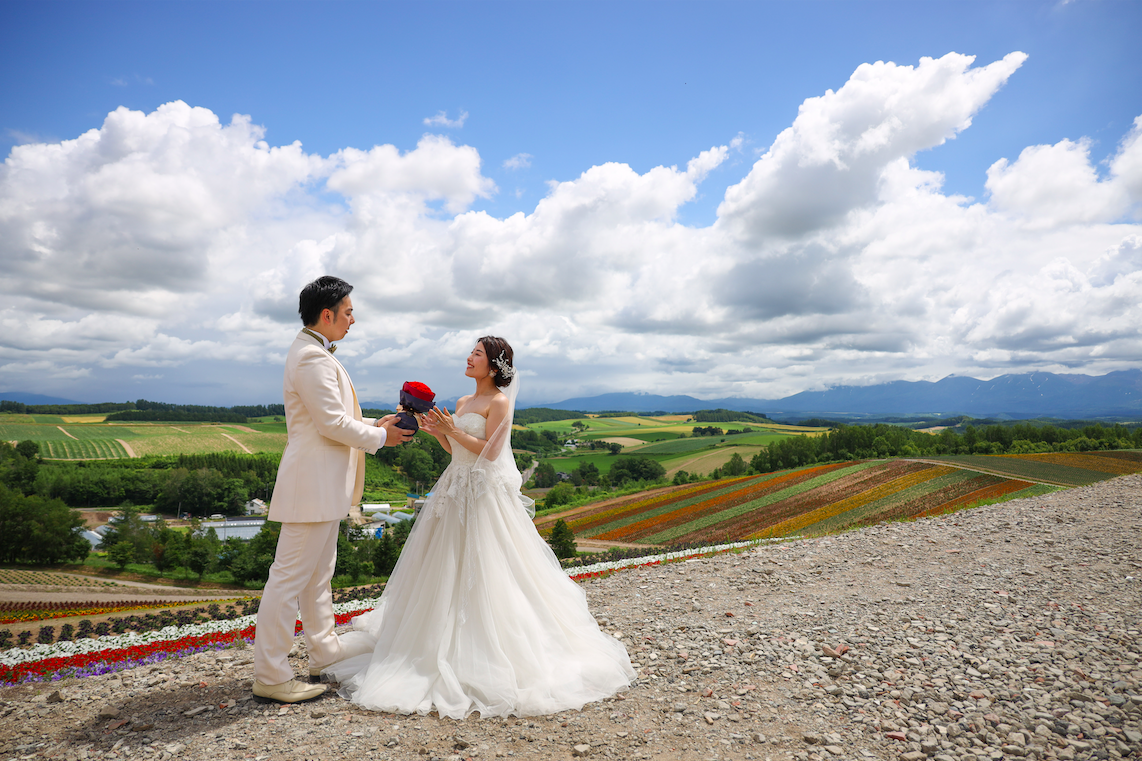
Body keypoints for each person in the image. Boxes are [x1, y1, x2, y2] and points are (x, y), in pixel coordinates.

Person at [323, 337, 634, 718]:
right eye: (470, 352)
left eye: (477, 355)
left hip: (483, 495)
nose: (469, 358)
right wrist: (434, 428)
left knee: (489, 567)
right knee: (442, 567)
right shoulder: (461, 403)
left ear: (493, 366)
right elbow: (456, 451)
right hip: (454, 488)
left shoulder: (499, 402)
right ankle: (428, 644)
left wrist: (451, 430)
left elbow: (490, 453)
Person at [253, 276, 413, 704]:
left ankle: (323, 650)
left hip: (322, 484)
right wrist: (382, 439)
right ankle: (270, 673)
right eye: (347, 312)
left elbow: (334, 420)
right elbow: (330, 424)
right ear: (327, 314)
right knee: (287, 579)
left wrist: (375, 427)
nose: (352, 319)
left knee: (317, 574)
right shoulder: (311, 358)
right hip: (312, 483)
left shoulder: (311, 351)